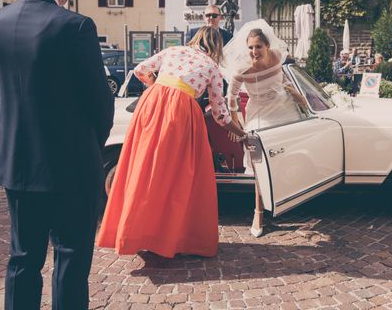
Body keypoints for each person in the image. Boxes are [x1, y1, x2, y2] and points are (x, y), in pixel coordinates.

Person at [0, 0, 114, 310]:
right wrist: (90, 144)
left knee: (22, 258)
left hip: (16, 162)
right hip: (69, 164)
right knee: (70, 259)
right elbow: (100, 105)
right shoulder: (75, 27)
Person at [97, 27, 246, 258]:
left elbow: (139, 70)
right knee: (172, 175)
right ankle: (165, 236)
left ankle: (133, 232)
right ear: (217, 46)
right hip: (179, 112)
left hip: (152, 102)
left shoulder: (173, 50)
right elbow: (220, 114)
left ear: (195, 39)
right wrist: (240, 133)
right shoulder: (212, 68)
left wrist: (156, 85)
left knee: (144, 167)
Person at [223, 21, 305, 237]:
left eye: (258, 46)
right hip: (259, 112)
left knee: (290, 154)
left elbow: (285, 80)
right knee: (259, 161)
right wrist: (236, 123)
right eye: (250, 47)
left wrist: (300, 99)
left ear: (267, 46)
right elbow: (231, 98)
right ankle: (258, 211)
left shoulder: (278, 56)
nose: (254, 51)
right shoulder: (242, 68)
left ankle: (285, 201)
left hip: (284, 107)